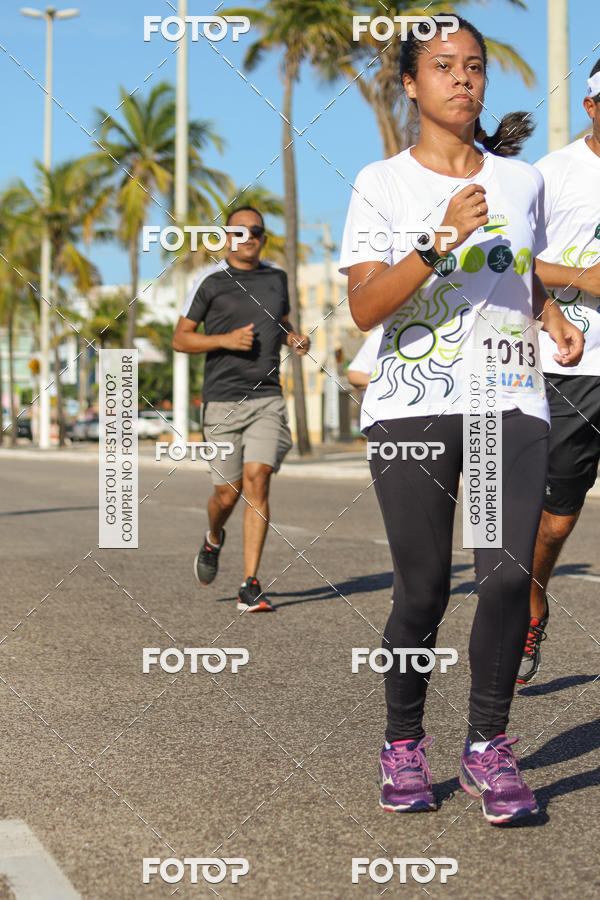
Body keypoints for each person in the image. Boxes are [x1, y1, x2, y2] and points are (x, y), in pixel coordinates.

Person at [340, 16, 583, 824]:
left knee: (510, 574)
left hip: (509, 396)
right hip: (412, 403)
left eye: (473, 67)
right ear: (410, 84)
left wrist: (548, 312)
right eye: (443, 67)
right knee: (423, 589)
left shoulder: (521, 182)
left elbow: (515, 265)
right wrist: (438, 244)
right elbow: (364, 307)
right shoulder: (381, 183)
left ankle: (488, 745)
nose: (463, 79)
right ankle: (403, 741)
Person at [173, 206, 309, 611]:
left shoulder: (277, 279)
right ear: (225, 237)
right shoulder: (210, 282)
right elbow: (181, 339)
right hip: (221, 402)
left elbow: (279, 322)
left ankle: (250, 583)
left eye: (256, 231)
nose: (248, 236)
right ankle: (214, 536)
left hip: (266, 396)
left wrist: (293, 338)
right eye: (239, 231)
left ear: (263, 238)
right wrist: (225, 341)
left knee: (258, 478)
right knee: (226, 495)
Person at [517, 60, 600, 683]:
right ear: (593, 108)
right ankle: (532, 599)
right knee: (556, 521)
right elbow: (509, 259)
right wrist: (584, 280)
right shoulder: (554, 173)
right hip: (574, 365)